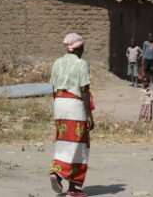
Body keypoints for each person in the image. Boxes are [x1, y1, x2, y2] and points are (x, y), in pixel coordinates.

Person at [49, 33, 94, 197]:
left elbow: (53, 89)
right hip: (74, 106)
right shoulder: (81, 64)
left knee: (63, 141)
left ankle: (67, 181)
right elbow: (84, 90)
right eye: (83, 48)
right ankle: (62, 176)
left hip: (59, 105)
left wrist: (58, 108)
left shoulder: (57, 63)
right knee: (79, 144)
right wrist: (89, 115)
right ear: (79, 48)